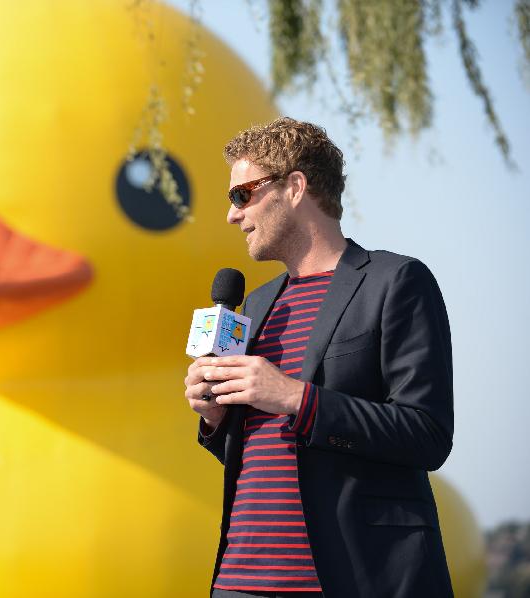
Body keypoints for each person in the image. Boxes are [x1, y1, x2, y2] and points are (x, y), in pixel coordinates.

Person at [184, 118, 454, 597]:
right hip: (239, 580)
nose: (232, 215)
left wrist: (294, 397)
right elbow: (260, 453)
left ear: (294, 187)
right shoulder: (259, 302)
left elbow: (427, 435)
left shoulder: (396, 282)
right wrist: (217, 420)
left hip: (350, 577)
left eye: (241, 195)